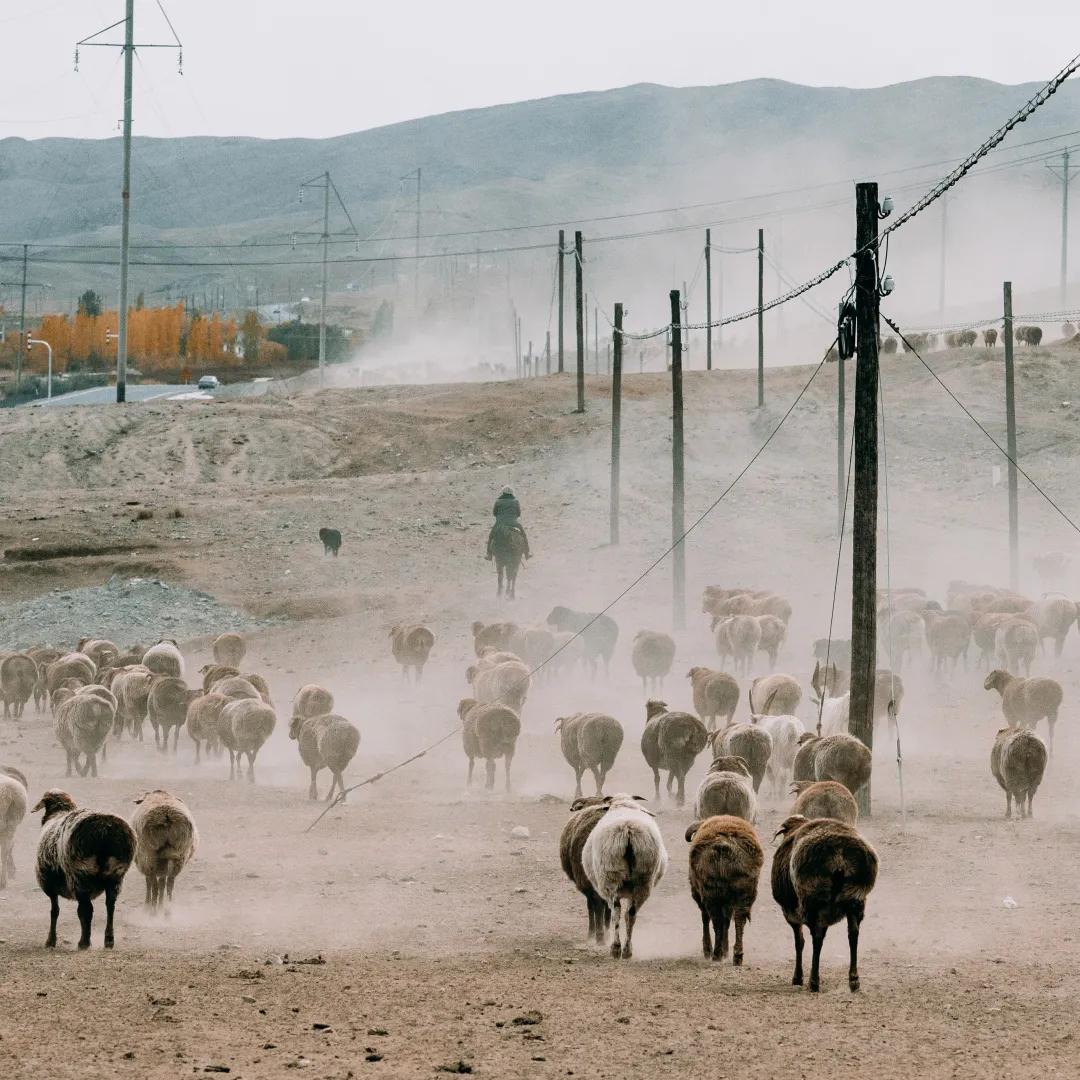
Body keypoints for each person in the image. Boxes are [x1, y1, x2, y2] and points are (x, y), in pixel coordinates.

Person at [486, 486, 531, 560]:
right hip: (514, 523)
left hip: (500, 524)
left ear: (503, 493)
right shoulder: (516, 501)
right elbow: (518, 513)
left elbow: (494, 513)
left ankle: (489, 554)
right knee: (523, 535)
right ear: (512, 493)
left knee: (491, 536)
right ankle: (527, 553)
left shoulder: (498, 502)